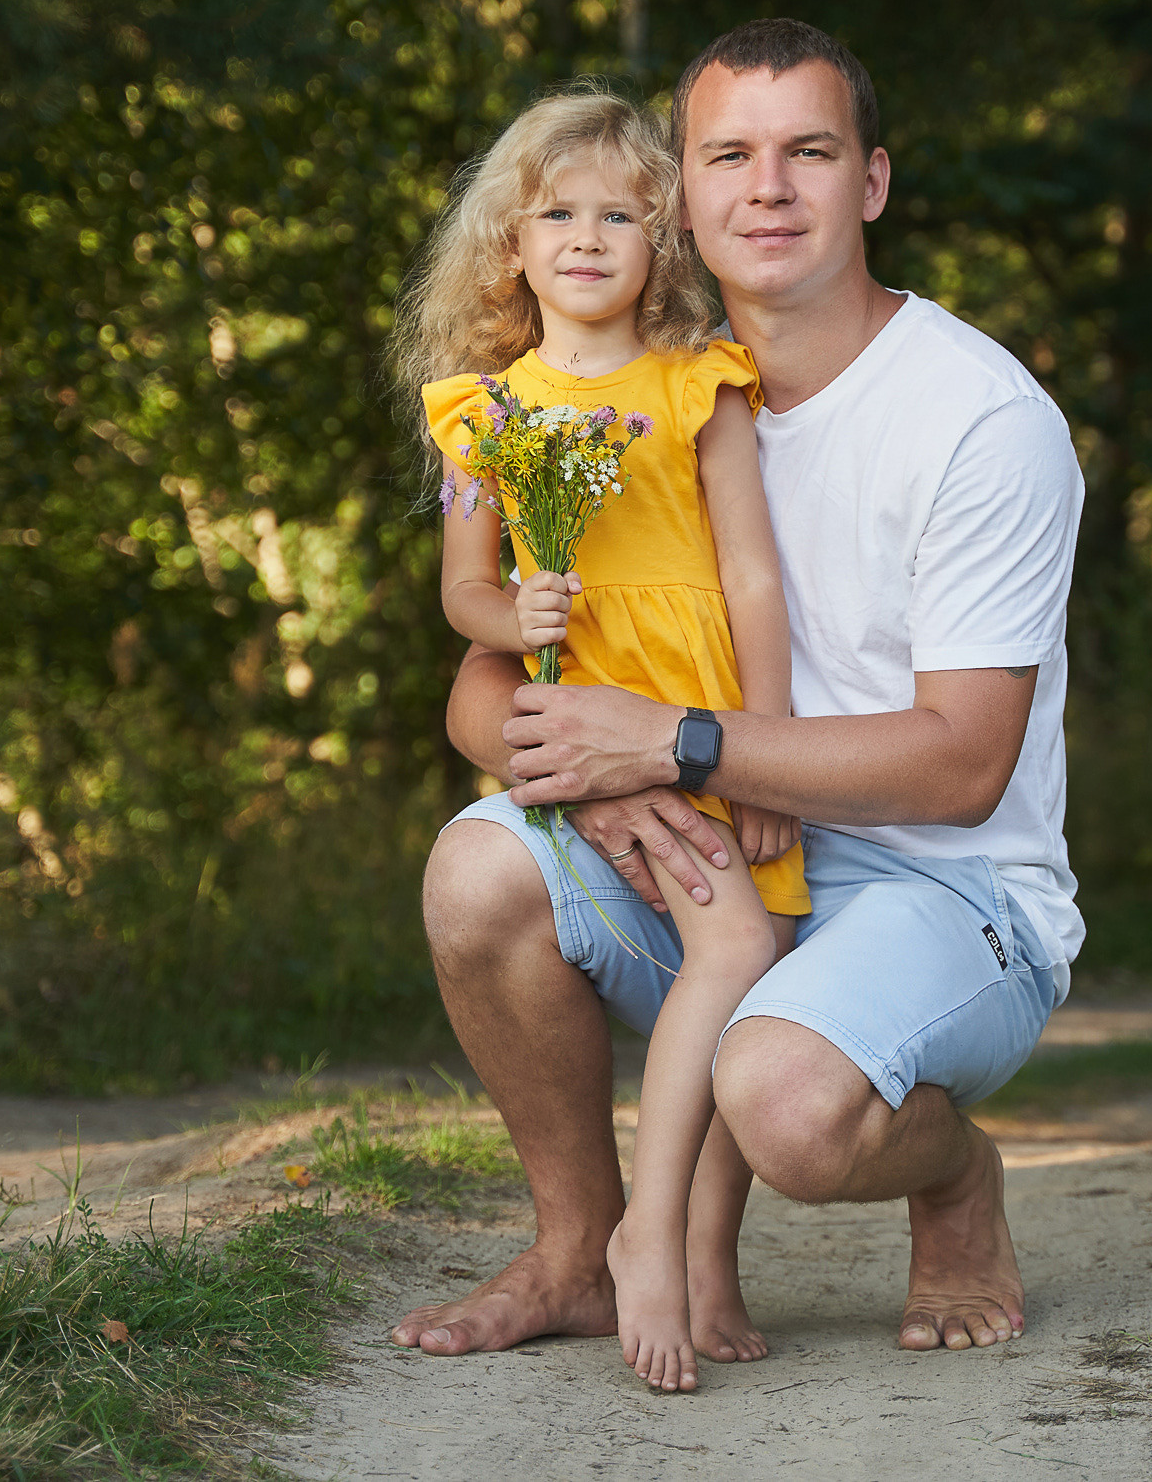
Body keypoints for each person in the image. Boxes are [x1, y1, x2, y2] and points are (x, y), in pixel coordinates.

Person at [394, 18, 1083, 1364]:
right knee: (476, 873)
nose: (768, 188)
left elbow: (963, 767)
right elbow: (485, 682)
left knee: (790, 1107)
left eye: (808, 153)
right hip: (716, 845)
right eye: (730, 156)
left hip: (947, 888)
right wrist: (587, 780)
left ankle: (954, 1175)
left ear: (870, 183)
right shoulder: (623, 399)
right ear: (683, 198)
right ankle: (578, 1252)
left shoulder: (977, 420)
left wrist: (676, 744)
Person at [394, 87, 809, 1393]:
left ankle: (688, 1250)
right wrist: (513, 613)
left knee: (743, 958)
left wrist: (760, 746)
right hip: (586, 727)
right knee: (733, 949)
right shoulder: (485, 415)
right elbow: (464, 592)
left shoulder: (700, 387)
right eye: (557, 215)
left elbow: (752, 578)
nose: (586, 237)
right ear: (510, 249)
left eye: (620, 216)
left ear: (661, 243)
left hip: (697, 721)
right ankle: (642, 1239)